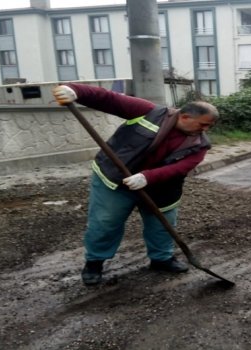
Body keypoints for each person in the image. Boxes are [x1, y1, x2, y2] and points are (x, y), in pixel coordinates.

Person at [52, 83, 219, 285]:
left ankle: (162, 258)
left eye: (209, 126)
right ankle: (95, 262)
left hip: (161, 187)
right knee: (105, 223)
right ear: (185, 117)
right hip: (115, 179)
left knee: (162, 226)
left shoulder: (200, 144)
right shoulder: (150, 112)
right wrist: (75, 91)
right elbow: (109, 99)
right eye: (203, 124)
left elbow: (180, 168)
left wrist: (147, 177)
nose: (205, 130)